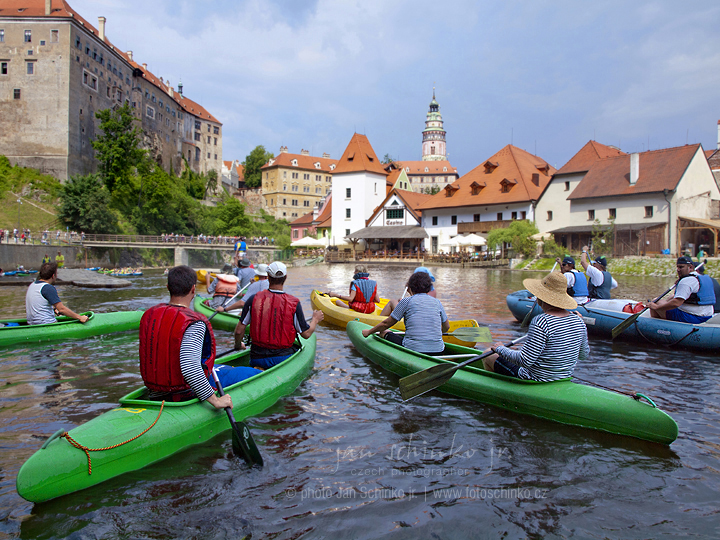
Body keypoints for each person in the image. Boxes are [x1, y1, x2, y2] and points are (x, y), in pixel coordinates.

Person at [139, 265, 260, 405]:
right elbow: (190, 368)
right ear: (193, 289)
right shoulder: (193, 323)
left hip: (155, 389)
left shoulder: (149, 315)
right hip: (185, 392)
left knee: (216, 367)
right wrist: (216, 401)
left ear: (168, 287)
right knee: (252, 374)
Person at [484, 271, 589, 381]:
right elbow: (583, 355)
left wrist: (500, 348)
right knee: (514, 352)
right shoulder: (579, 321)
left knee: (488, 354)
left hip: (534, 379)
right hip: (563, 377)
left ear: (540, 299)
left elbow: (524, 361)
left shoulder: (541, 321)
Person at [233, 262, 324, 369]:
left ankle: (259, 368)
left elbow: (239, 331)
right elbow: (306, 334)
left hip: (256, 357)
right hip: (282, 358)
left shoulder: (253, 299)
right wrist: (315, 319)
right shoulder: (294, 303)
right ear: (285, 278)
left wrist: (238, 345)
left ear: (268, 278)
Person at [362, 270, 449, 356]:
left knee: (383, 332)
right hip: (439, 350)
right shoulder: (437, 302)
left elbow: (386, 324)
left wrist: (369, 332)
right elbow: (446, 327)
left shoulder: (406, 301)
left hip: (413, 349)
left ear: (410, 287)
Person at [646, 256, 716, 323]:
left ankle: (657, 326)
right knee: (670, 298)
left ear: (690, 267)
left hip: (692, 317)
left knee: (655, 301)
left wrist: (656, 307)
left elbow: (676, 303)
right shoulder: (703, 278)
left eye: (681, 267)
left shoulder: (686, 281)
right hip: (707, 316)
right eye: (677, 267)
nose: (678, 270)